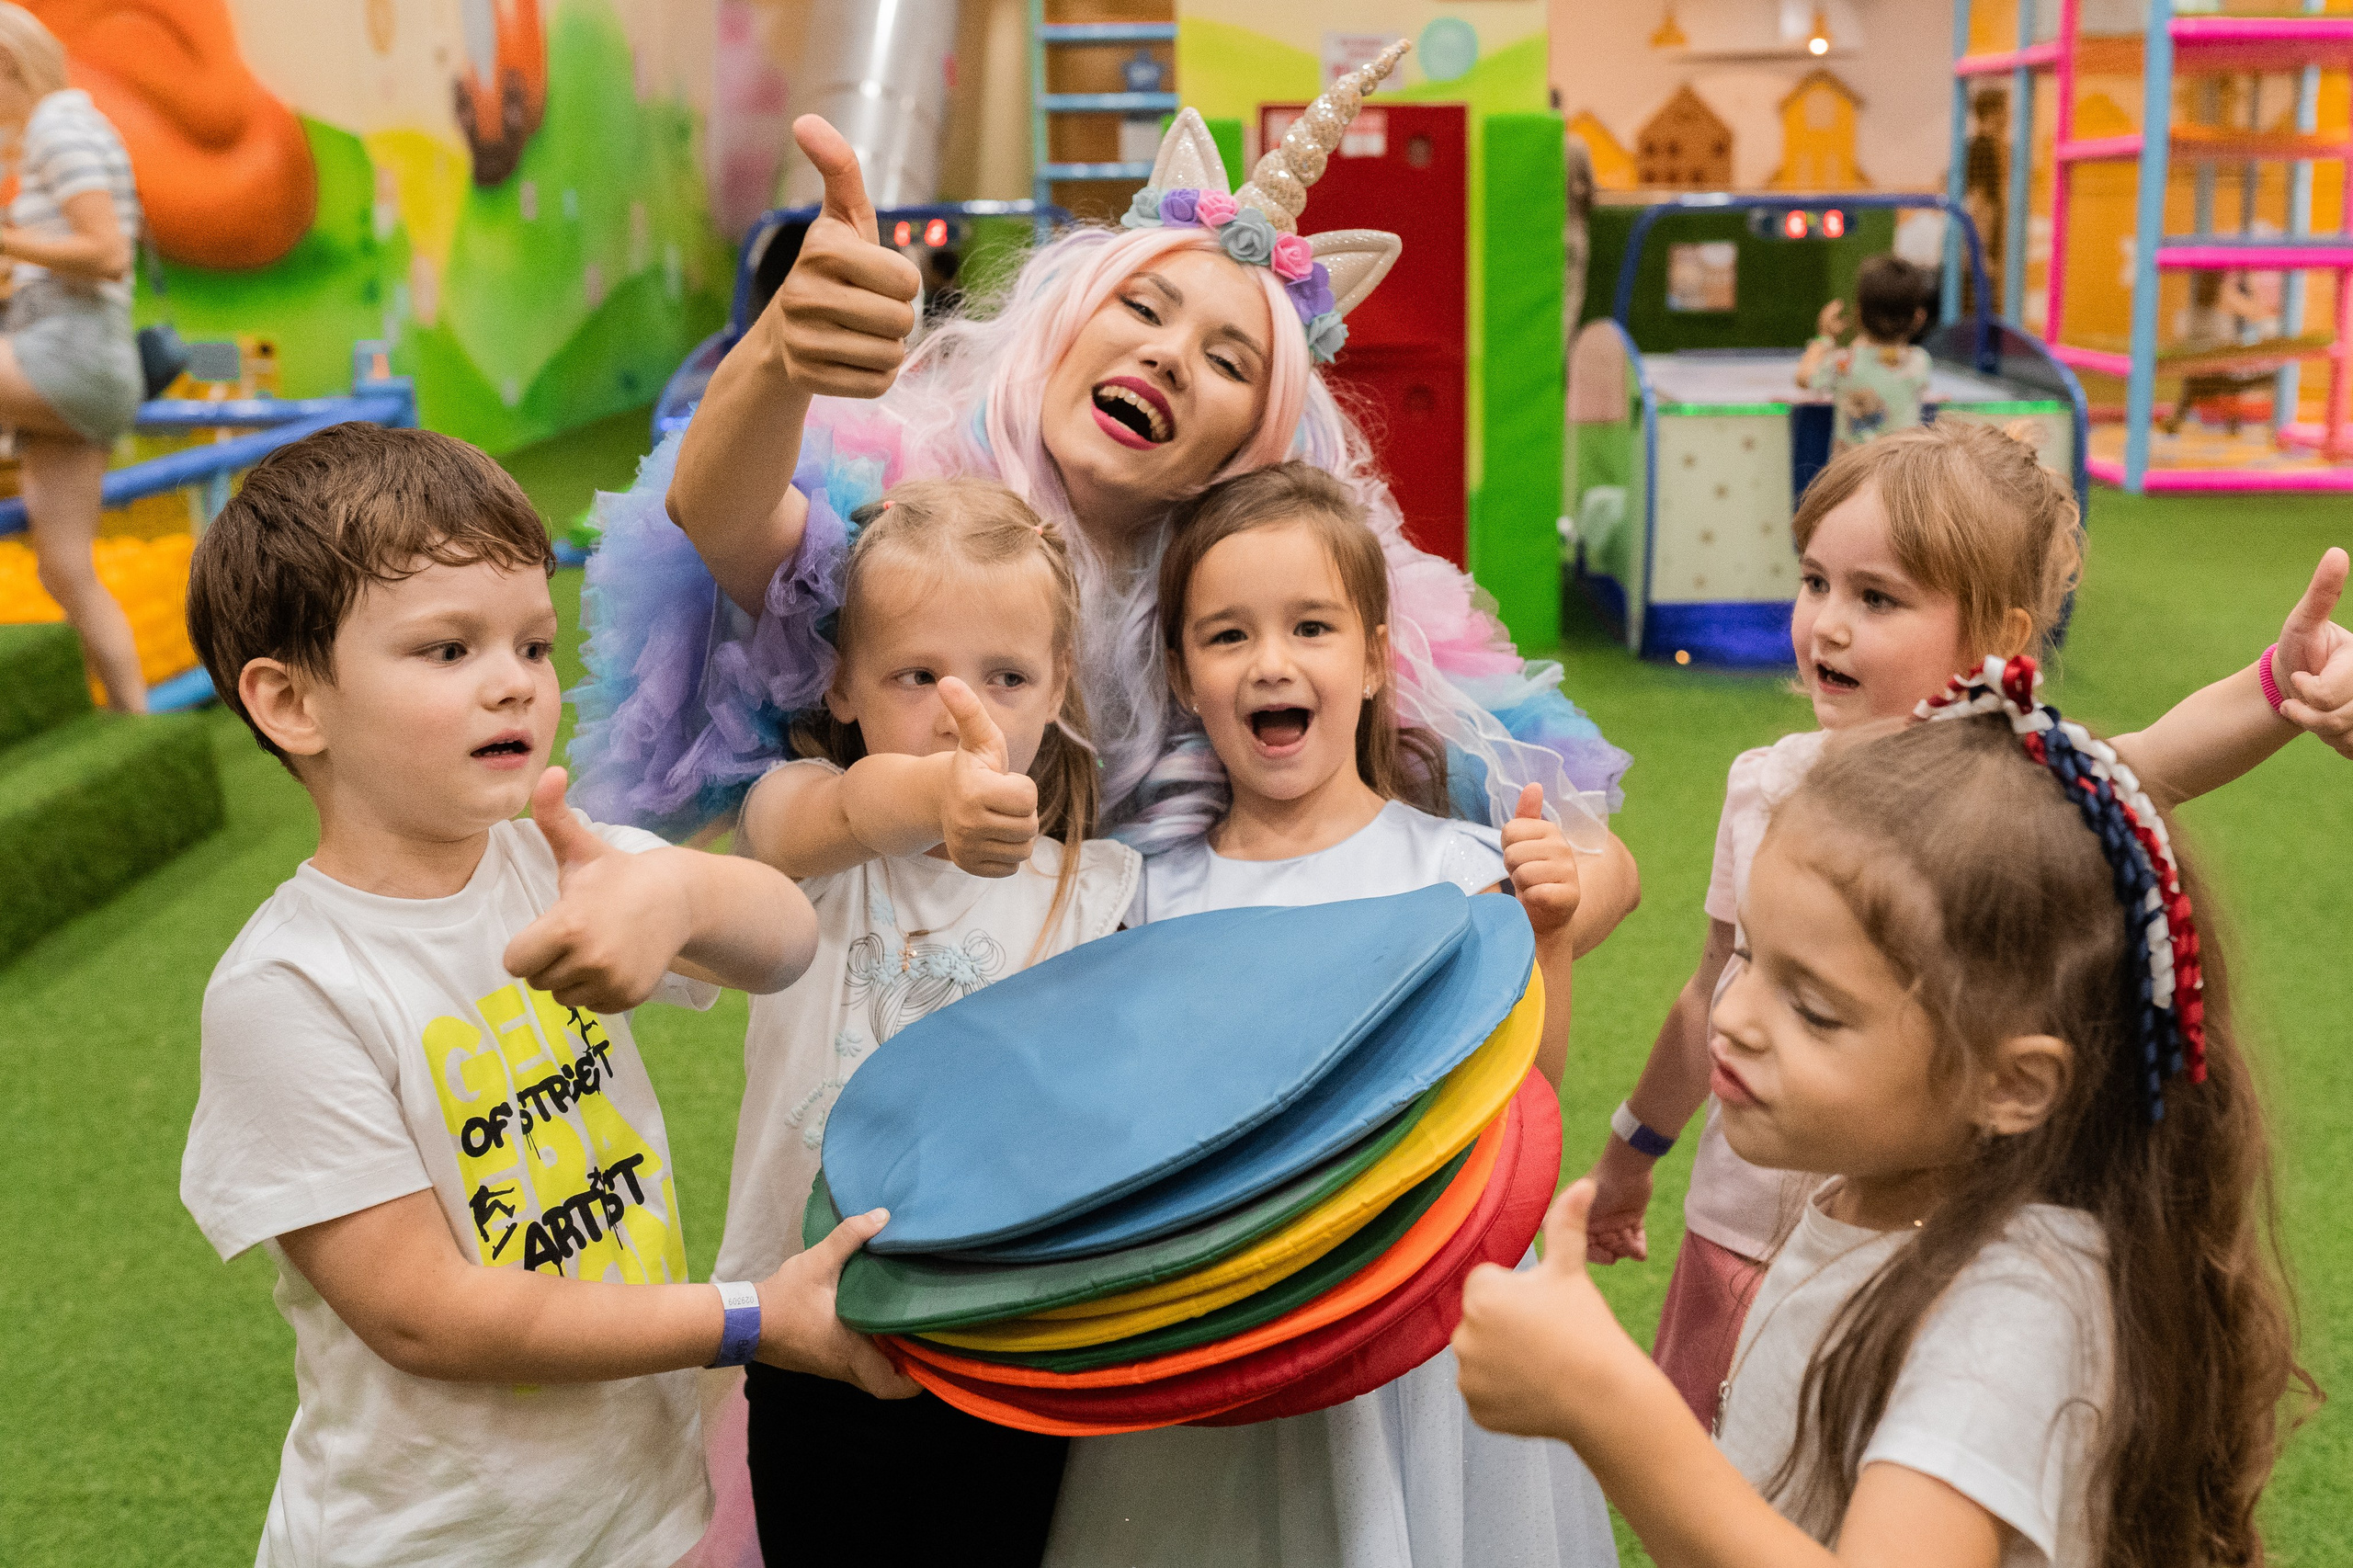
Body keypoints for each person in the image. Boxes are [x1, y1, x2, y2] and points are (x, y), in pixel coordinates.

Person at [567, 47, 1639, 929]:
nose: (1172, 356)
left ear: (1252, 441)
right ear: (1066, 318)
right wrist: (775, 361)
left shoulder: (1261, 589)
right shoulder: (912, 494)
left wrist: (1551, 899)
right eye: (1144, 309)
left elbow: (1592, 853)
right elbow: (720, 516)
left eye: (1228, 361)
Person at [176, 423, 915, 1568]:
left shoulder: (551, 859)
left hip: (635, 1505)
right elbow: (428, 1312)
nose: (512, 680)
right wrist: (752, 1315)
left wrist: (671, 889)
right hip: (436, 1540)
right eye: (446, 649)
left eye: (529, 640)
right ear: (291, 703)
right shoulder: (291, 986)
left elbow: (782, 942)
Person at [1575, 420, 2353, 1431]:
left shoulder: (2011, 794)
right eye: (1816, 582)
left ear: (2000, 636)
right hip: (1744, 1225)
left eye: (1877, 597)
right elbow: (1711, 984)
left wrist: (2278, 684)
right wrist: (1632, 1148)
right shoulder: (1765, 784)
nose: (1828, 624)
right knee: (1720, 1460)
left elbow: (2158, 756)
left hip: (1917, 1240)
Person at [1455, 683, 2307, 1568]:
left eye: (1815, 1010)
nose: (1737, 1017)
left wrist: (1611, 1410)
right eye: (1750, 955)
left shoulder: (2013, 1311)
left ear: (2013, 1086)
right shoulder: (1880, 1190)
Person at [1043, 461, 1615, 1568]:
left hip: (1425, 1344)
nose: (1272, 662)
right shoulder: (1148, 894)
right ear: (1180, 672)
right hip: (1222, 1341)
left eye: (1310, 626)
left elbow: (1523, 1109)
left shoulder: (1458, 869)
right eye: (1226, 635)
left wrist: (1543, 934)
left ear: (1369, 653)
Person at [715, 478, 1141, 1566]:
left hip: (1007, 1340)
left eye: (1008, 676)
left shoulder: (1100, 887)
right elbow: (837, 812)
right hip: (812, 1333)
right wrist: (928, 798)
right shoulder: (805, 833)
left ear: (1059, 691)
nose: (972, 712)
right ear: (844, 686)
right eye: (919, 675)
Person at [0, 5, 146, 710]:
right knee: (65, 567)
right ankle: (136, 721)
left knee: (69, 566)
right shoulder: (66, 129)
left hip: (70, 351)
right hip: (83, 357)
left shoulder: (59, 127)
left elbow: (107, 253)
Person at [1794, 256, 1933, 449]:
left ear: (1858, 315)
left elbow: (1803, 377)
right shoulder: (1918, 362)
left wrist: (1824, 337)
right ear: (1918, 318)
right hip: (1899, 472)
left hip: (1852, 474)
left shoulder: (1844, 362)